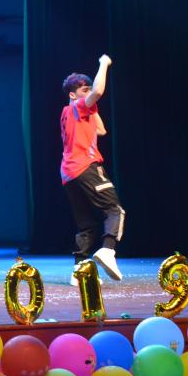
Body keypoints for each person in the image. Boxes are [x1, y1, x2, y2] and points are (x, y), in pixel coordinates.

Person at [60, 54, 124, 281]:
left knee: (86, 224)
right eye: (83, 90)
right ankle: (108, 250)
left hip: (69, 173)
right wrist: (103, 64)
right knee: (114, 210)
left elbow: (101, 130)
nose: (88, 93)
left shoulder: (71, 113)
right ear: (72, 95)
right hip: (85, 166)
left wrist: (92, 106)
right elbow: (98, 91)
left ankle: (79, 271)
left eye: (88, 89)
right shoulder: (76, 108)